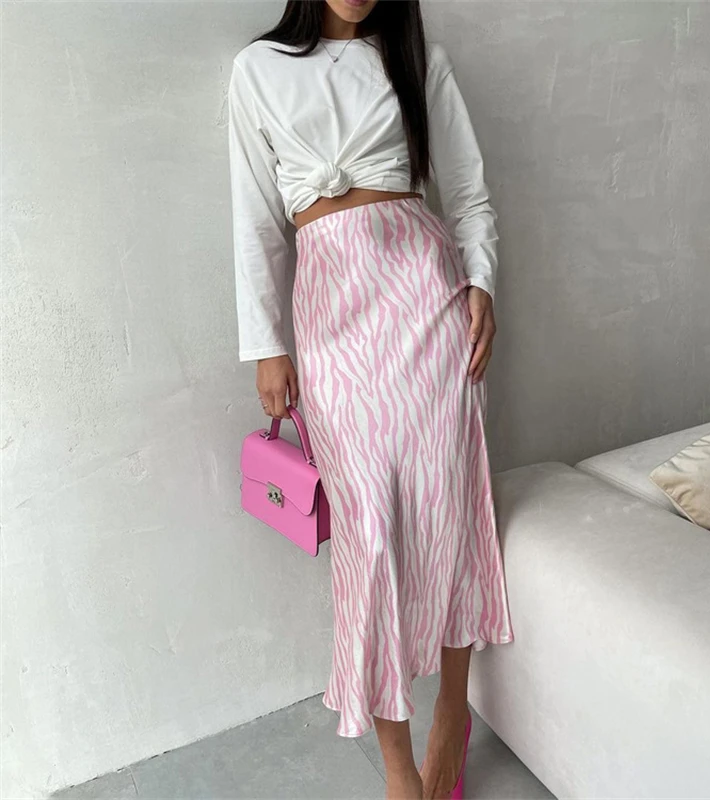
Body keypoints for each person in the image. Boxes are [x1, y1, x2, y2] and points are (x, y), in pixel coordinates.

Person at [227, 1, 514, 797]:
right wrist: (267, 346)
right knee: (371, 537)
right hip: (332, 314)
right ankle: (397, 767)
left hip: (427, 301)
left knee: (449, 510)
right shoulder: (257, 70)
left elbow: (468, 192)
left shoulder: (419, 62)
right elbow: (255, 221)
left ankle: (451, 713)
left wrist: (482, 281)